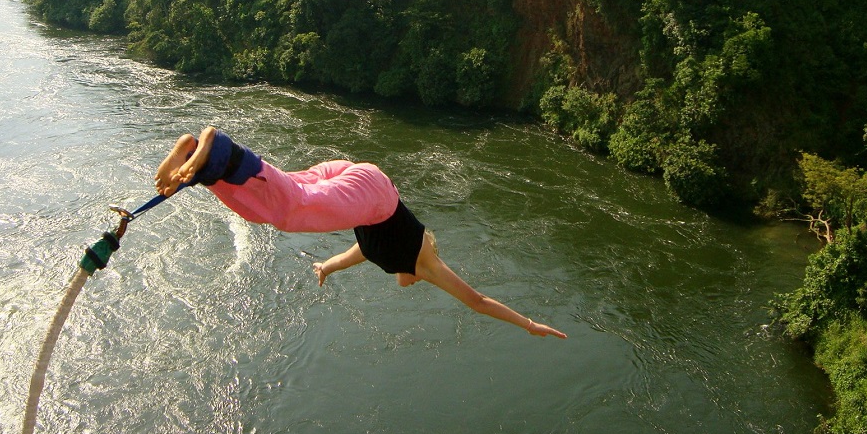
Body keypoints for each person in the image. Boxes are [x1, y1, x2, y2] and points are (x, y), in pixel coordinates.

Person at [155, 126, 567, 338]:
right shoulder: (423, 263)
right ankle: (223, 145)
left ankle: (205, 168)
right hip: (373, 195)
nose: (405, 286)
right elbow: (477, 301)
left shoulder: (377, 253)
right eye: (409, 284)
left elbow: (348, 257)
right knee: (293, 210)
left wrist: (326, 269)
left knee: (272, 210)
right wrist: (529, 325)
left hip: (354, 176)